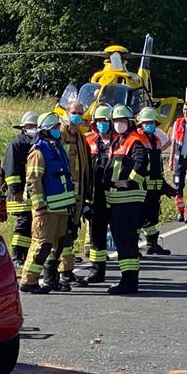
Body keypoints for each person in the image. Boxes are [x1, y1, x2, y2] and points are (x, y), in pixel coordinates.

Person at [19, 114, 77, 295]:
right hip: (47, 210)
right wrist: (39, 206)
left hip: (62, 207)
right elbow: (33, 181)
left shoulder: (57, 148)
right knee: (41, 244)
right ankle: (29, 280)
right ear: (45, 130)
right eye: (54, 127)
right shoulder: (38, 152)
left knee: (57, 245)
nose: (58, 130)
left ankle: (51, 279)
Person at [104, 105, 148, 295]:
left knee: (126, 242)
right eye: (116, 121)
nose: (118, 124)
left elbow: (141, 162)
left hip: (127, 200)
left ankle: (129, 282)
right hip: (117, 201)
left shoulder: (133, 141)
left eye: (122, 121)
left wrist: (129, 182)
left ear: (129, 122)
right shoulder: (118, 142)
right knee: (122, 242)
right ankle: (127, 279)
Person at [53, 100, 93, 290]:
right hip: (63, 194)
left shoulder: (79, 136)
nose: (77, 115)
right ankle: (59, 272)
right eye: (74, 112)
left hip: (78, 195)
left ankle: (66, 271)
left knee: (70, 234)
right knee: (62, 235)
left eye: (80, 113)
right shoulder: (60, 133)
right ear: (67, 112)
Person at [78, 104, 115, 285]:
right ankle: (97, 270)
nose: (102, 124)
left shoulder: (120, 142)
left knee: (121, 236)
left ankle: (127, 274)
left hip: (116, 198)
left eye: (105, 121)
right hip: (95, 196)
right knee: (96, 236)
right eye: (99, 121)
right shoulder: (89, 143)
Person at [1, 111, 39, 267]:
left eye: (35, 126)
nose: (33, 129)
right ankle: (16, 255)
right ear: (23, 128)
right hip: (19, 193)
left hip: (32, 192)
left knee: (31, 223)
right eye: (30, 126)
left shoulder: (37, 143)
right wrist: (15, 189)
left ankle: (24, 255)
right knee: (23, 223)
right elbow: (11, 169)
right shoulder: (16, 144)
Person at [136, 108, 171, 256]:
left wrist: (164, 186)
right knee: (137, 217)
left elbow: (157, 166)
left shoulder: (155, 140)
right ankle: (132, 247)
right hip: (140, 186)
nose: (149, 125)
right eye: (146, 122)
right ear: (141, 124)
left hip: (153, 186)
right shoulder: (136, 138)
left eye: (152, 122)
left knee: (152, 216)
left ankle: (152, 244)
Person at [169, 101, 187, 222]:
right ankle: (180, 212)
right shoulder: (178, 123)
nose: (186, 112)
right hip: (179, 160)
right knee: (178, 186)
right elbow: (174, 142)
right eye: (185, 109)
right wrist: (170, 160)